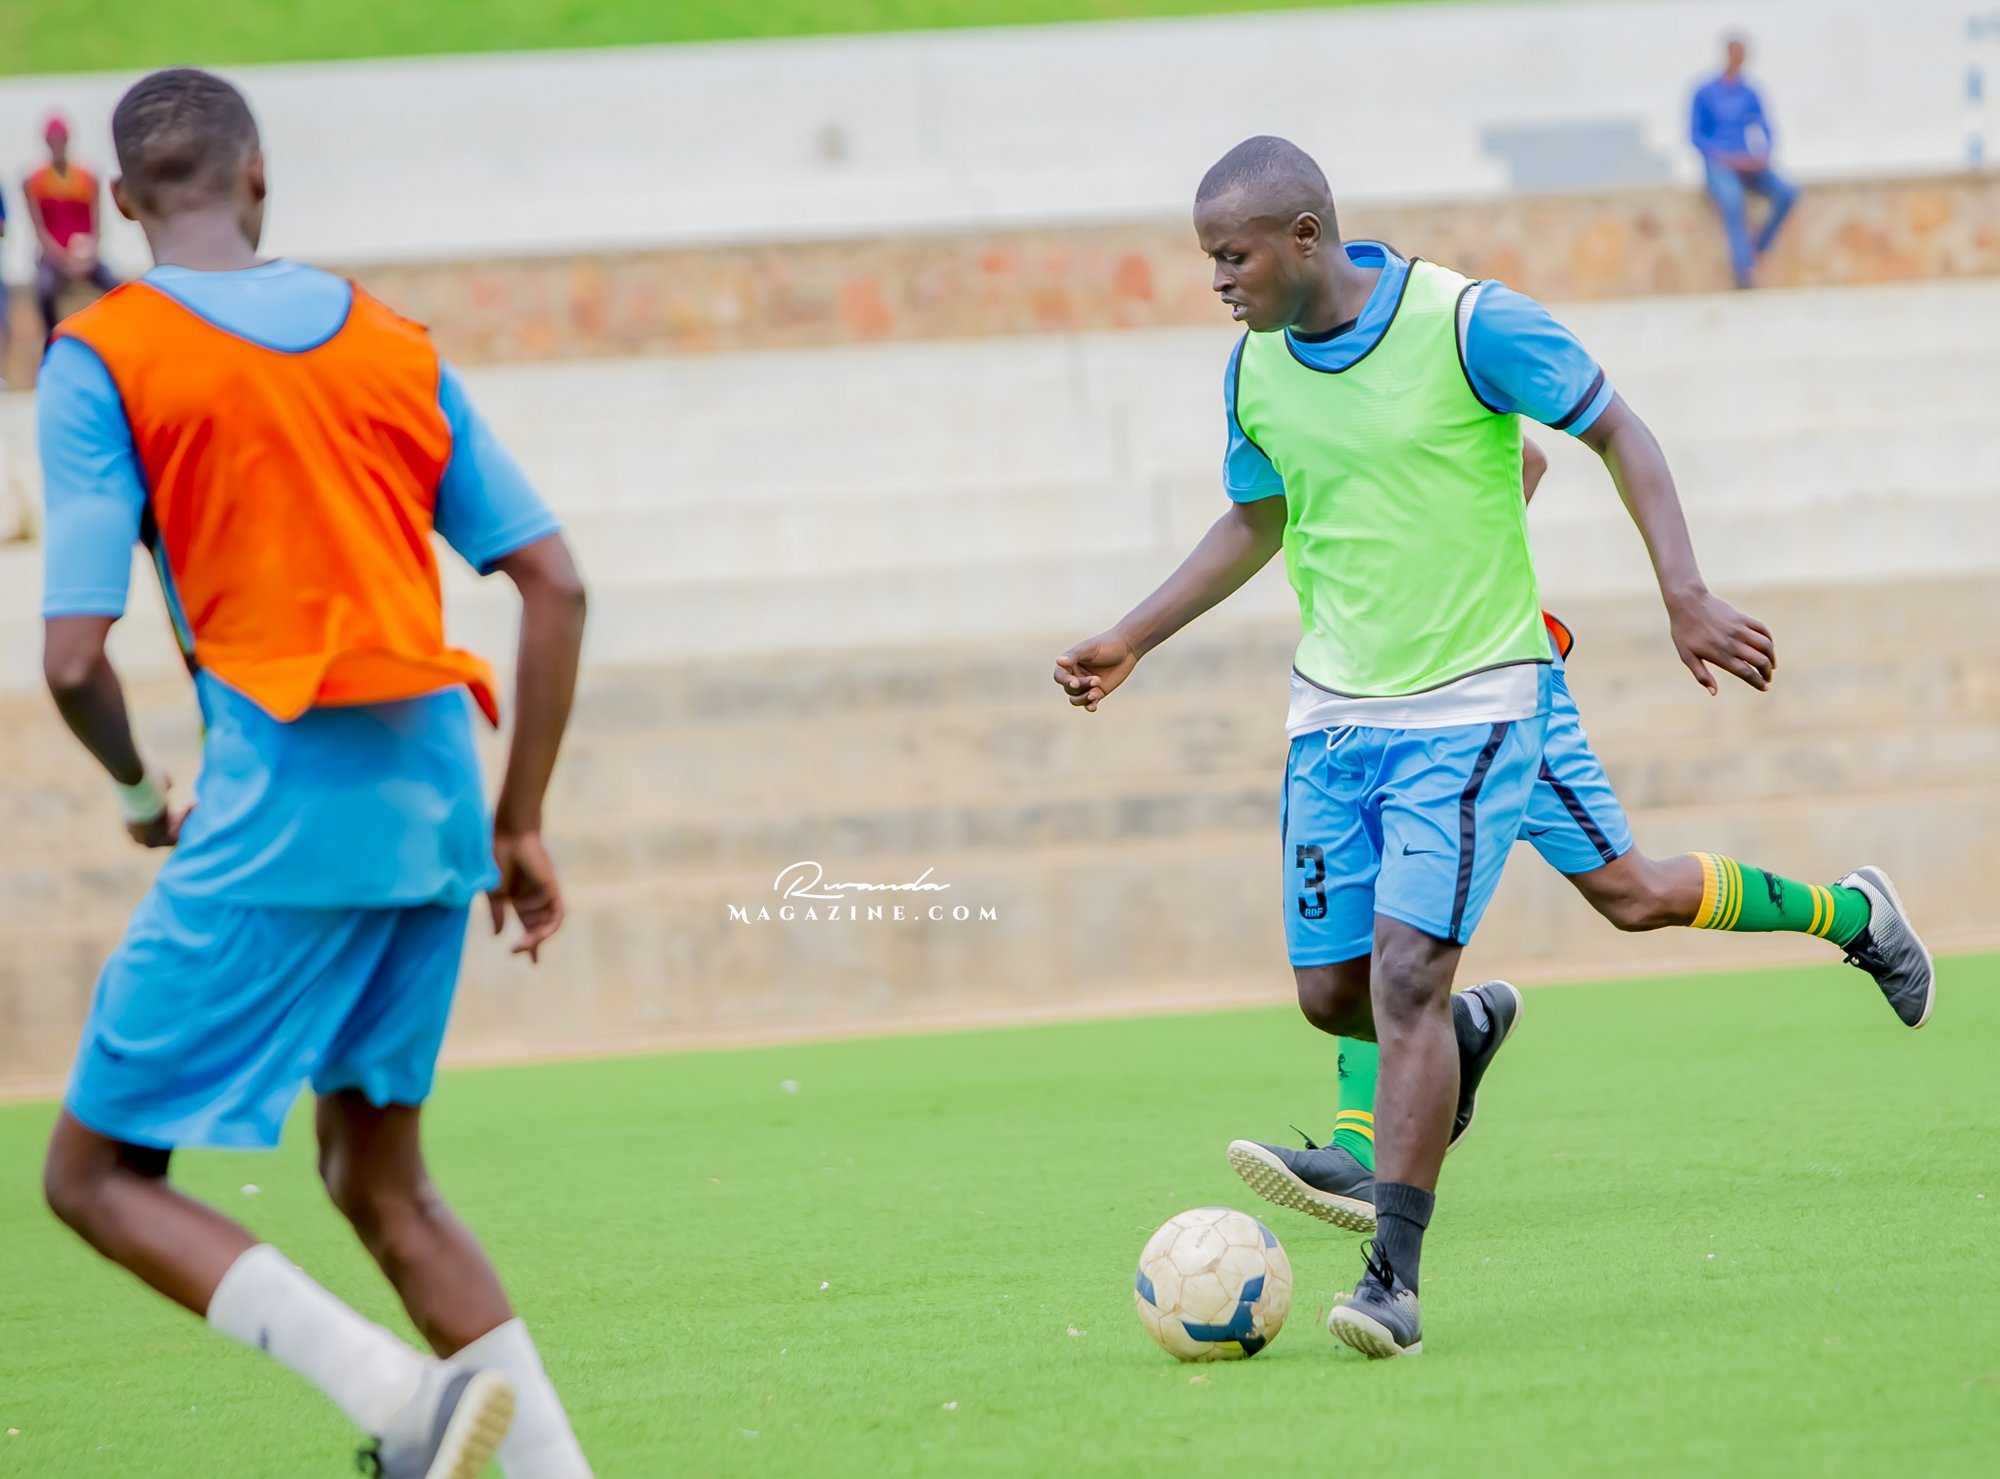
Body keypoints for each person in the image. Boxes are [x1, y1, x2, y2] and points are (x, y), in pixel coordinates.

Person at [1055, 134, 1788, 1361]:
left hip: (1472, 707)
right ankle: (1458, 1041)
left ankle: (1389, 1276)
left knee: (1408, 978)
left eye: (1231, 257)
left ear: (1304, 237)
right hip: (1330, 718)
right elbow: (1255, 517)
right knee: (1330, 995)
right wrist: (1132, 636)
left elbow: (1618, 432)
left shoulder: (1465, 323)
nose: (1217, 281)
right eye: (1207, 260)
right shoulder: (1253, 367)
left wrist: (1683, 593)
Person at [36, 69, 593, 1478]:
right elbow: (555, 582)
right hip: (436, 803)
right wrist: (520, 820)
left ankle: (401, 1400)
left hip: (280, 803)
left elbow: (72, 658)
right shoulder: (391, 340)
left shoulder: (103, 355)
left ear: (121, 203)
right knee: (379, 1178)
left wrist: (138, 794)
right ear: (260, 175)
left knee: (93, 1173)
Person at [1227, 438, 1933, 1239]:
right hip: (1395, 705)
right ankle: (1371, 1132)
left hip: (1496, 689)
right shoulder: (1304, 399)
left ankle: (1854, 914)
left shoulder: (1406, 377)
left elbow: (1525, 459)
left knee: (1634, 893)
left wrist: (1451, 590)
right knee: (1380, 920)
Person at [1691, 34, 1799, 289]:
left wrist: (1763, 154)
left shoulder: (1750, 92)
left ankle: (1759, 246)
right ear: (1728, 54)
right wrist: (1724, 157)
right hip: (1719, 164)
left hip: (1749, 163)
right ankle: (1744, 270)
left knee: (1787, 192)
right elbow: (1696, 136)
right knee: (1732, 200)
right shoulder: (1705, 92)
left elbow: (1765, 127)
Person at [26, 115, 120, 345]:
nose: (57, 145)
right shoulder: (34, 181)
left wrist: (87, 256)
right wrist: (63, 259)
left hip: (83, 254)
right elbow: (40, 231)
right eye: (53, 140)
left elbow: (96, 226)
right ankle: (51, 340)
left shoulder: (87, 178)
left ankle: (118, 335)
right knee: (44, 290)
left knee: (115, 286)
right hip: (53, 255)